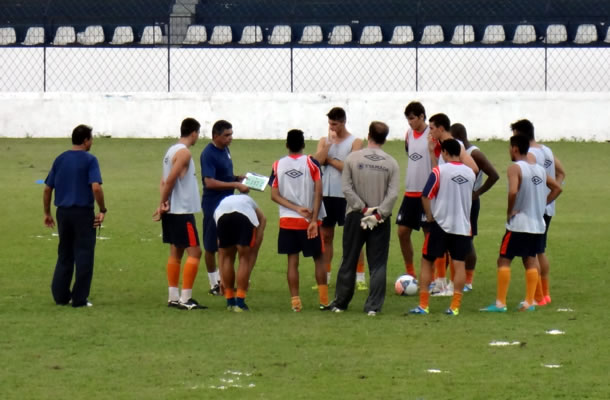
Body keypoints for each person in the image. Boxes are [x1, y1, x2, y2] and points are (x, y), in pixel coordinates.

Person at [481, 135, 562, 313]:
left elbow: (512, 192)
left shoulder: (515, 168)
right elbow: (558, 187)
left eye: (510, 147)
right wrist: (542, 203)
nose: (509, 151)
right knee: (530, 259)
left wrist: (510, 210)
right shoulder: (540, 170)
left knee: (503, 259)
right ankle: (529, 302)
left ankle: (500, 304)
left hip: (519, 223)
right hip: (537, 224)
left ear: (515, 148)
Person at [330, 121, 399, 316]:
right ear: (384, 139)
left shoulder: (352, 158)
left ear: (368, 135)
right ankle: (373, 307)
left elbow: (346, 188)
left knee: (349, 259)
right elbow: (392, 194)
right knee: (377, 263)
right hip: (380, 219)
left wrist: (362, 208)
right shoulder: (391, 162)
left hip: (355, 215)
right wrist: (378, 213)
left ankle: (341, 303)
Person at [408, 139, 475, 316]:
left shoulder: (439, 171)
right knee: (459, 264)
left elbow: (425, 195)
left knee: (426, 261)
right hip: (462, 226)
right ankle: (455, 307)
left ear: (444, 152)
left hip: (441, 224)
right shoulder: (470, 173)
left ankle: (423, 305)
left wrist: (430, 216)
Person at [43, 124, 106, 307]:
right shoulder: (90, 160)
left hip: (63, 213)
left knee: (65, 253)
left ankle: (60, 295)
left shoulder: (60, 159)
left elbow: (48, 188)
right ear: (86, 140)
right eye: (91, 139)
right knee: (84, 254)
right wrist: (102, 209)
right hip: (83, 213)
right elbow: (96, 187)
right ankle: (79, 298)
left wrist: (47, 212)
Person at [270, 129, 328, 312]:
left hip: (287, 221)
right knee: (319, 258)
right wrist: (313, 219)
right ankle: (324, 301)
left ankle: (295, 302)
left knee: (292, 261)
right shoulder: (312, 163)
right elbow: (319, 192)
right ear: (303, 145)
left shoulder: (278, 165)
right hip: (309, 220)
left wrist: (294, 209)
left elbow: (274, 195)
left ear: (287, 145)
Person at [511, 119, 566, 305]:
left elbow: (529, 177)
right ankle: (545, 294)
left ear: (520, 134)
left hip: (534, 210)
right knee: (540, 250)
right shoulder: (546, 150)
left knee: (532, 254)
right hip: (546, 209)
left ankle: (537, 296)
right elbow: (561, 173)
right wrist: (547, 200)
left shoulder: (531, 155)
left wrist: (539, 202)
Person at [153, 118, 206, 310]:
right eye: (198, 133)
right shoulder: (184, 153)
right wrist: (161, 204)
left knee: (176, 252)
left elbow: (163, 181)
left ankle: (173, 297)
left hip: (172, 210)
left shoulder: (170, 151)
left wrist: (163, 203)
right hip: (182, 211)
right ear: (193, 133)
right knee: (195, 252)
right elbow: (171, 180)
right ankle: (186, 298)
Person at [426, 113, 479, 296]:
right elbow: (438, 170)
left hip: (457, 206)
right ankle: (441, 283)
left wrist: (460, 188)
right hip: (445, 204)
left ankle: (451, 287)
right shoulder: (441, 147)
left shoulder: (457, 146)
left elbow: (473, 168)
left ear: (441, 128)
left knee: (456, 249)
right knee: (444, 248)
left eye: (431, 128)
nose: (429, 131)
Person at [313, 107, 366, 289]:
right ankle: (326, 276)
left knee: (353, 237)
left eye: (334, 124)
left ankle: (359, 277)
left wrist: (329, 160)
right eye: (329, 124)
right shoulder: (323, 141)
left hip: (346, 195)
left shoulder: (356, 142)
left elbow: (349, 167)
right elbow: (315, 162)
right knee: (326, 236)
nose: (332, 127)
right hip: (326, 194)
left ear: (343, 122)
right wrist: (327, 148)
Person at [200, 120, 249, 296]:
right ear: (215, 136)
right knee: (211, 245)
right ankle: (214, 283)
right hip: (213, 204)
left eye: (231, 134)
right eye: (226, 135)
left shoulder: (225, 150)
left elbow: (224, 175)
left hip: (228, 202)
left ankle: (225, 282)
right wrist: (235, 183)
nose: (230, 138)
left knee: (227, 243)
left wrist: (237, 178)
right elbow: (209, 182)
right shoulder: (208, 154)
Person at [450, 123, 499, 291]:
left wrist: (477, 193)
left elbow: (494, 175)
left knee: (467, 241)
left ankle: (468, 281)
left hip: (469, 203)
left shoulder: (474, 154)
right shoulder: (460, 153)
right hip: (458, 201)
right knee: (455, 239)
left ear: (457, 138)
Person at [396, 102, 432, 280]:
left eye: (412, 119)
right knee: (402, 232)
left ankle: (433, 276)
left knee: (429, 234)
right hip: (410, 191)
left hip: (426, 193)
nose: (409, 123)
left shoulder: (431, 135)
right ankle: (410, 272)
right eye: (407, 119)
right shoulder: (409, 135)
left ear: (422, 116)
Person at [214, 194, 266, 312]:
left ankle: (230, 301)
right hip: (244, 217)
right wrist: (258, 238)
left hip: (222, 217)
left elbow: (220, 253)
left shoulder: (222, 204)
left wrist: (221, 278)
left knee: (227, 257)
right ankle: (240, 302)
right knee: (244, 258)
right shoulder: (249, 200)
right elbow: (263, 219)